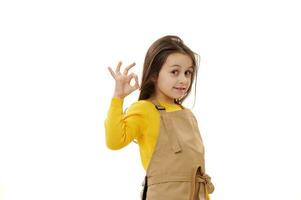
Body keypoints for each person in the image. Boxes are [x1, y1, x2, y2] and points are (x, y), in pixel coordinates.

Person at [104, 35, 214, 200]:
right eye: (174, 72)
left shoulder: (187, 114)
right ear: (154, 74)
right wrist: (118, 98)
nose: (184, 79)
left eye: (188, 73)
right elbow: (114, 141)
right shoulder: (144, 109)